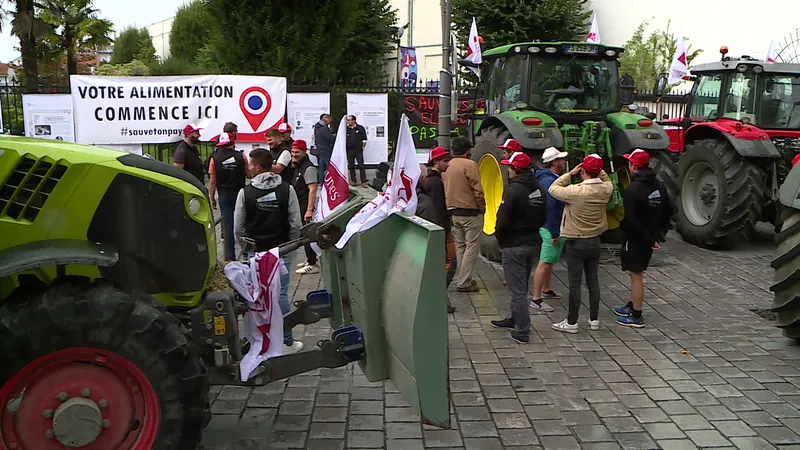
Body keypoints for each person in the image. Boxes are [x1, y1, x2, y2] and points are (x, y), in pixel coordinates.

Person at [233, 149, 304, 355]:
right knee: (280, 294)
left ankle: (258, 340)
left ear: (257, 167)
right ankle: (286, 342)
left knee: (258, 296)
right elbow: (295, 223)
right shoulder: (287, 189)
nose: (248, 168)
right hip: (281, 250)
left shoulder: (245, 193)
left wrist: (247, 246)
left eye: (250, 165)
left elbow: (238, 227)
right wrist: (291, 245)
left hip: (256, 252)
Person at [548, 154, 613, 334]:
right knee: (593, 282)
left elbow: (554, 188)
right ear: (598, 172)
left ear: (582, 171)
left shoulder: (575, 192)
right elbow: (606, 179)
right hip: (595, 241)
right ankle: (594, 320)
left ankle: (572, 322)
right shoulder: (606, 189)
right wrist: (597, 168)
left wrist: (570, 173)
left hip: (576, 242)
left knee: (575, 285)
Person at [489, 151, 547, 344]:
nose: (507, 170)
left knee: (518, 291)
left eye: (509, 167)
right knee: (521, 285)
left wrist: (501, 239)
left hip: (514, 245)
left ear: (516, 170)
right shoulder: (538, 188)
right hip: (532, 243)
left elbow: (502, 220)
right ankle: (513, 318)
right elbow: (543, 216)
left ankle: (522, 330)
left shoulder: (513, 191)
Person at [615, 149, 676, 328]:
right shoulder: (659, 185)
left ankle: (636, 314)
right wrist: (657, 235)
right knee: (637, 274)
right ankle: (633, 304)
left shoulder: (632, 190)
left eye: (629, 163)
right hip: (649, 237)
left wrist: (647, 238)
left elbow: (631, 221)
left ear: (634, 166)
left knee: (636, 275)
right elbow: (669, 211)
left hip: (637, 239)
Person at [415, 146, 456, 313]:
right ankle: (440, 300)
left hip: (438, 226)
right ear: (436, 162)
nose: (448, 164)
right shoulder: (436, 182)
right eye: (445, 161)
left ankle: (441, 299)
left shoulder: (431, 182)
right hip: (440, 228)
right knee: (448, 265)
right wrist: (445, 230)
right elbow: (438, 208)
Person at [531, 146, 570, 313]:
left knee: (549, 260)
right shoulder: (551, 182)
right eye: (562, 159)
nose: (564, 162)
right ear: (555, 162)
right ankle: (536, 299)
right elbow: (551, 208)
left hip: (546, 225)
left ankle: (546, 289)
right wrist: (555, 232)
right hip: (550, 227)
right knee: (545, 262)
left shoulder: (543, 178)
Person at [444, 137, 486, 293]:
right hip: (471, 212)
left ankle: (463, 277)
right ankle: (464, 281)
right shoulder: (470, 165)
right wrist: (482, 208)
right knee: (471, 247)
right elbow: (478, 190)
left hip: (454, 211)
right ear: (468, 150)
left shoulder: (448, 165)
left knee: (460, 246)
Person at [208, 132, 249, 261]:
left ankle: (230, 256)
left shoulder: (214, 158)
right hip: (240, 194)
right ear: (233, 143)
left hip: (224, 195)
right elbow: (248, 174)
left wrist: (212, 196)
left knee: (228, 226)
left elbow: (212, 181)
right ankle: (246, 253)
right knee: (244, 224)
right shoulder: (241, 156)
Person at [290, 140, 321, 275]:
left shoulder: (309, 168)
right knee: (303, 234)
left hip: (304, 205)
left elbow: (313, 189)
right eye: (292, 152)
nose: (294, 155)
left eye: (297, 152)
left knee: (306, 233)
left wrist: (309, 210)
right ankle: (310, 259)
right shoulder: (298, 166)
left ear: (304, 152)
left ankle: (312, 263)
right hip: (299, 204)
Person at [345, 115, 368, 186]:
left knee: (361, 165)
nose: (348, 122)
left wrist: (362, 147)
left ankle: (363, 181)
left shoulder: (360, 128)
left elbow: (364, 139)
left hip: (358, 150)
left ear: (354, 120)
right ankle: (353, 180)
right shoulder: (346, 129)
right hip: (349, 150)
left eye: (349, 120)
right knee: (351, 166)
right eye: (347, 120)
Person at [313, 114, 335, 184]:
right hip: (325, 149)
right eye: (329, 120)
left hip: (320, 149)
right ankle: (332, 182)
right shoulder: (324, 128)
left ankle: (322, 182)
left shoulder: (317, 127)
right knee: (329, 167)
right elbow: (329, 138)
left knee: (321, 168)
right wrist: (334, 137)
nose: (330, 122)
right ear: (326, 119)